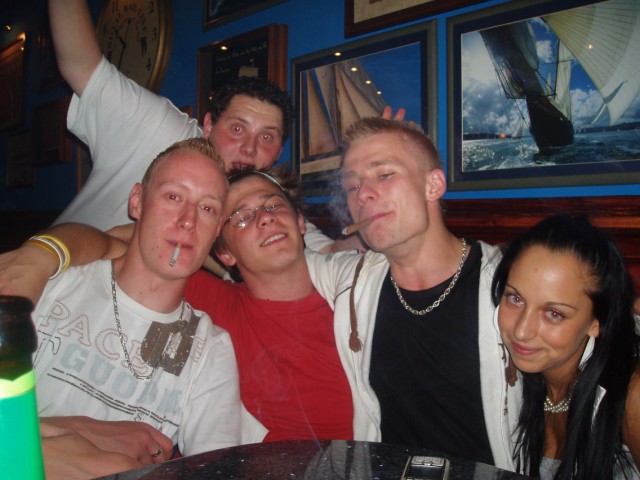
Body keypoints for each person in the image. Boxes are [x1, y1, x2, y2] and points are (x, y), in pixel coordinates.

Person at [47, 0, 360, 254]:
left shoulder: (262, 200)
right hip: (48, 280)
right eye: (237, 129)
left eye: (267, 137)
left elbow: (331, 252)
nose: (249, 148)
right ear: (207, 125)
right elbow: (80, 64)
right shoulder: (162, 130)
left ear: (278, 152)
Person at [304, 117, 521, 471]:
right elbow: (285, 251)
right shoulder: (353, 280)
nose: (362, 194)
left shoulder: (508, 284)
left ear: (433, 185)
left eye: (384, 174)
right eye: (352, 184)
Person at [32, 138, 243, 475]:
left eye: (207, 208)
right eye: (173, 197)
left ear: (216, 230)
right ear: (137, 202)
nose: (188, 220)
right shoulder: (51, 284)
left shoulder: (210, 350)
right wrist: (80, 436)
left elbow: (215, 471)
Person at [184, 167, 354, 442]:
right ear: (225, 254)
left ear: (300, 222)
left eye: (273, 205)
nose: (265, 218)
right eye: (242, 217)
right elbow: (127, 251)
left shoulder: (356, 298)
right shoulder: (220, 303)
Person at [491, 213, 640, 479]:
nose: (522, 331)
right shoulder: (510, 382)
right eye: (515, 298)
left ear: (596, 321)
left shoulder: (630, 396)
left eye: (554, 313)